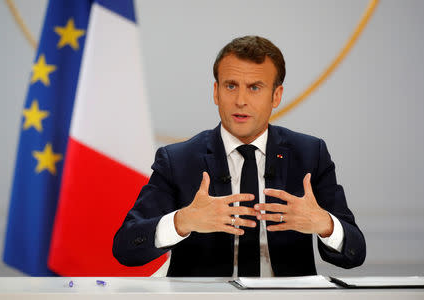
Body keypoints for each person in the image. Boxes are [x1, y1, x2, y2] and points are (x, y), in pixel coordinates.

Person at [112, 36, 366, 277]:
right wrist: (181, 222)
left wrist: (325, 225)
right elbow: (125, 247)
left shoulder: (310, 154)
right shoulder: (178, 159)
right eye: (231, 86)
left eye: (255, 88)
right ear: (216, 92)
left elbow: (355, 254)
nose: (240, 100)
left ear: (276, 96)